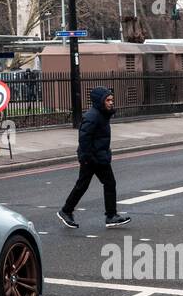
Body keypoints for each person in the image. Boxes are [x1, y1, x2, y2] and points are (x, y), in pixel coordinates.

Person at [56, 86, 131, 229]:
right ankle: (108, 216)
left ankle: (69, 211)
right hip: (92, 158)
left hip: (98, 156)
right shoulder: (93, 116)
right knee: (97, 184)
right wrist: (87, 158)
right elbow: (84, 138)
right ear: (99, 101)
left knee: (96, 184)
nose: (111, 103)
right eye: (108, 100)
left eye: (111, 100)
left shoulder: (102, 114)